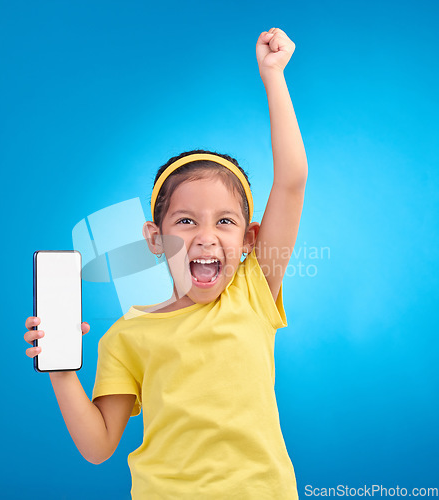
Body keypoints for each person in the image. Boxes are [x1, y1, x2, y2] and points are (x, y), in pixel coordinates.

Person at [24, 27, 307, 499]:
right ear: (156, 238)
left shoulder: (255, 290)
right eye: (186, 221)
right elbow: (98, 446)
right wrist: (62, 373)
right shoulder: (126, 337)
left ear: (248, 241)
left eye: (224, 222)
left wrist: (273, 76)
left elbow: (292, 180)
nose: (206, 236)